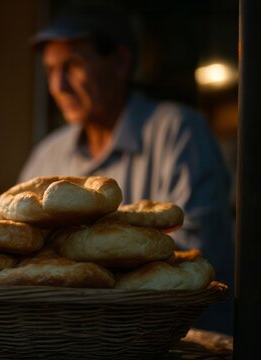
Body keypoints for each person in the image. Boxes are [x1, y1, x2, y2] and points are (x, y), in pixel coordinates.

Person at [20, 4, 233, 333]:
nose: (58, 86)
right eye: (50, 70)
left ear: (120, 62)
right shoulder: (48, 154)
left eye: (73, 65)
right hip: (71, 339)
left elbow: (200, 254)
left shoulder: (178, 130)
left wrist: (76, 259)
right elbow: (22, 246)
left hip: (180, 340)